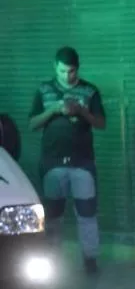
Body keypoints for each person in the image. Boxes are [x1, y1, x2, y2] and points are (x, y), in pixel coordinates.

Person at [28, 46, 106, 276]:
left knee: (87, 214)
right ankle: (51, 262)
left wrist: (81, 111)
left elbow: (101, 123)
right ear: (55, 67)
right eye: (62, 71)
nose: (67, 76)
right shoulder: (44, 90)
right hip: (52, 164)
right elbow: (33, 124)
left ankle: (90, 260)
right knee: (53, 216)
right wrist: (53, 109)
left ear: (77, 69)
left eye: (71, 72)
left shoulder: (89, 91)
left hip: (82, 164)